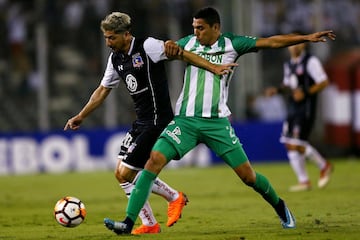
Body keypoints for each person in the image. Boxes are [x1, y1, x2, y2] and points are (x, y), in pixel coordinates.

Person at [103, 7, 336, 234]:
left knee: (249, 177)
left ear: (216, 28)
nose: (196, 33)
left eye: (201, 28)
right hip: (185, 122)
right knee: (153, 161)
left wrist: (306, 37)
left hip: (217, 124)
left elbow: (271, 42)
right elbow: (169, 49)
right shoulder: (189, 43)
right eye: (194, 28)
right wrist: (171, 47)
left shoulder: (233, 44)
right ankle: (129, 222)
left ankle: (281, 207)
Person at [64, 12, 234, 234]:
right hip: (141, 121)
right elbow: (103, 90)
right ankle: (152, 221)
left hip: (158, 120)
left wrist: (211, 67)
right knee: (121, 173)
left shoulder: (148, 46)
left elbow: (182, 54)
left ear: (126, 34)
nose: (107, 43)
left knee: (127, 174)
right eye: (105, 38)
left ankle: (167, 203)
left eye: (111, 38)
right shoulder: (116, 58)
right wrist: (81, 115)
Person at [265, 40, 333, 192]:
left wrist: (306, 93)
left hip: (306, 108)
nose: (294, 46)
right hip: (293, 107)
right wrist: (276, 90)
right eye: (291, 43)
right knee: (288, 143)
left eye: (298, 43)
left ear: (303, 45)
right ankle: (304, 181)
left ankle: (324, 165)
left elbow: (323, 82)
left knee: (296, 143)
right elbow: (288, 85)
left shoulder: (311, 61)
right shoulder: (289, 64)